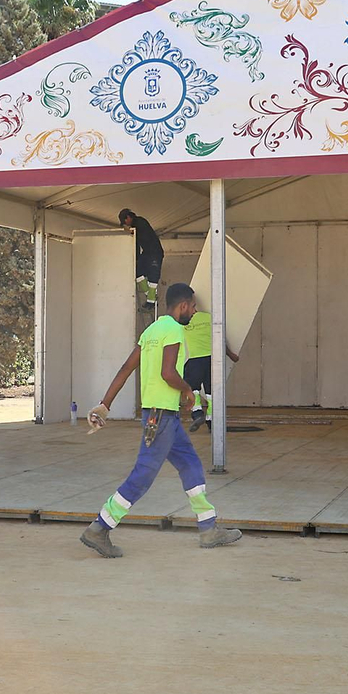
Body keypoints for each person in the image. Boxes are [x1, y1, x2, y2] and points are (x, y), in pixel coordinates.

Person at [82, 282, 243, 558]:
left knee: (190, 464)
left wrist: (105, 404)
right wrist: (187, 391)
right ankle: (100, 527)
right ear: (183, 306)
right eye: (193, 307)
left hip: (163, 417)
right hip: (160, 417)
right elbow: (168, 373)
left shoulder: (151, 330)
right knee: (143, 475)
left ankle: (208, 528)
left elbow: (126, 368)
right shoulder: (175, 330)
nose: (194, 312)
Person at [181, 307, 239, 431]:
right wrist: (231, 355)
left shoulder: (182, 322)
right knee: (211, 392)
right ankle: (211, 421)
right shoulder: (209, 317)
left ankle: (197, 413)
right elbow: (219, 339)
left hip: (195, 359)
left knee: (192, 388)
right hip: (213, 359)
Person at [119, 208, 163, 309]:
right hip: (147, 252)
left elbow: (141, 239)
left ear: (128, 217)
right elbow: (137, 244)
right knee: (137, 271)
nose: (126, 224)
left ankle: (151, 301)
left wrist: (133, 233)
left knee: (153, 275)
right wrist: (136, 258)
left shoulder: (140, 222)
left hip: (155, 252)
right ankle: (150, 296)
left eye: (125, 221)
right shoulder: (136, 226)